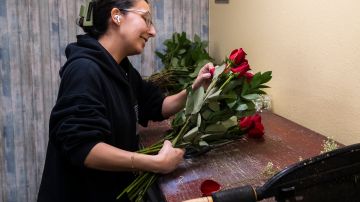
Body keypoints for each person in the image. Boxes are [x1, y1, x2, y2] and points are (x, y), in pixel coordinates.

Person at [37, 0, 214, 201]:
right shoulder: (84, 71)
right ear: (116, 16)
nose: (152, 31)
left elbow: (157, 106)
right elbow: (84, 148)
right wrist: (154, 162)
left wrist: (195, 88)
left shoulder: (122, 68)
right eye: (146, 19)